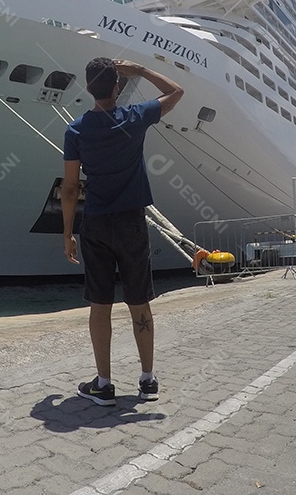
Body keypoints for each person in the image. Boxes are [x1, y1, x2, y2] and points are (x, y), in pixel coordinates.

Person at [61, 56, 183, 405]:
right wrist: (141, 70)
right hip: (131, 222)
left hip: (96, 223)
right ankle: (147, 380)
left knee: (100, 304)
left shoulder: (76, 130)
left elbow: (70, 189)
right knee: (139, 300)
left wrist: (67, 233)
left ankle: (104, 384)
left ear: (87, 88)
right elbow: (177, 91)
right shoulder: (135, 116)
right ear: (118, 86)